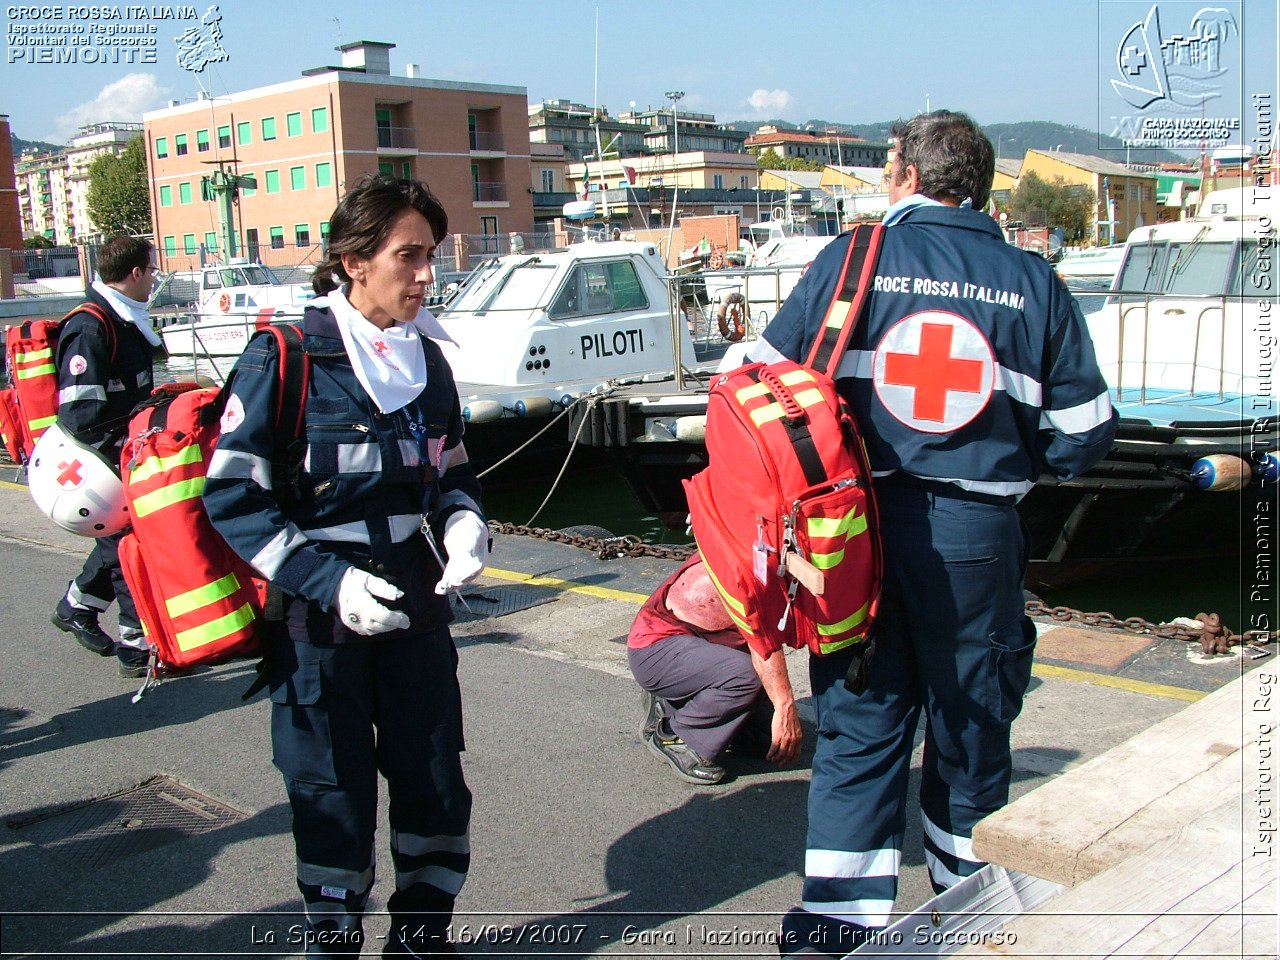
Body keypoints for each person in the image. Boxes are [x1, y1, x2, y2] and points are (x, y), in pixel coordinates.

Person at [748, 111, 1118, 955]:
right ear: (980, 187)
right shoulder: (1035, 281)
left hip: (856, 536)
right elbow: (1085, 432)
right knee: (971, 723)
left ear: (904, 174)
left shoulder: (853, 259)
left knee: (860, 721)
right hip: (973, 538)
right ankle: (977, 914)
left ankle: (835, 927)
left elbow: (754, 385)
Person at [203, 175, 490, 957]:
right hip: (318, 622)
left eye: (431, 256)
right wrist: (329, 581)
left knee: (434, 776)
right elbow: (231, 496)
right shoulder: (286, 357)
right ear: (353, 260)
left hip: (415, 608)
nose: (427, 275)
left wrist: (465, 521)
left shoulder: (428, 362)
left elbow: (452, 470)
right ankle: (332, 939)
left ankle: (423, 939)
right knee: (331, 788)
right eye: (410, 256)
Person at [50, 234, 160, 678]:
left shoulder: (125, 319)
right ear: (134, 273)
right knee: (127, 544)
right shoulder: (92, 326)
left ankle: (77, 605)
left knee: (119, 541)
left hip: (125, 451)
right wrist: (126, 439)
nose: (153, 279)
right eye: (151, 271)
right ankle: (134, 646)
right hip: (103, 460)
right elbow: (80, 412)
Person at [629, 556, 802, 785]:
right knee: (746, 678)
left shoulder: (758, 550)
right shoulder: (746, 569)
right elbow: (765, 650)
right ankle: (678, 735)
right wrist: (785, 707)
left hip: (705, 645)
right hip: (655, 649)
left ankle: (678, 703)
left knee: (767, 738)